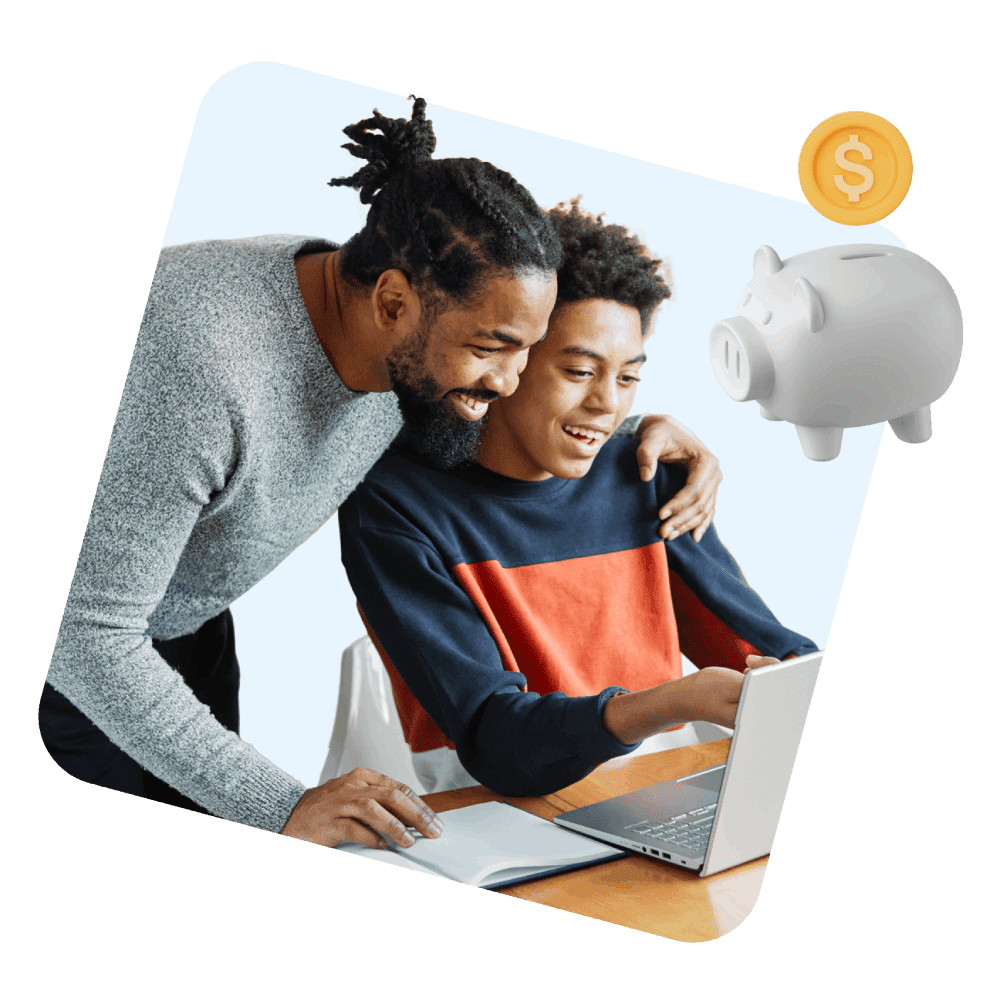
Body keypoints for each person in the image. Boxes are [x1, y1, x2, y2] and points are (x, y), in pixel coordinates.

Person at [40, 97, 723, 849]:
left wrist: (637, 433)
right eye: (491, 349)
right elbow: (85, 634)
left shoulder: (399, 332)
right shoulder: (199, 369)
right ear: (393, 301)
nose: (507, 381)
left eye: (527, 352)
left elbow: (512, 418)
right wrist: (281, 806)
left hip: (181, 623)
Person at [340, 200, 819, 797]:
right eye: (579, 371)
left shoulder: (646, 473)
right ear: (507, 357)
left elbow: (771, 656)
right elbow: (496, 742)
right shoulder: (396, 509)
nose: (607, 405)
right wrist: (668, 702)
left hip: (657, 793)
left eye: (628, 377)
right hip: (495, 812)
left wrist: (799, 682)